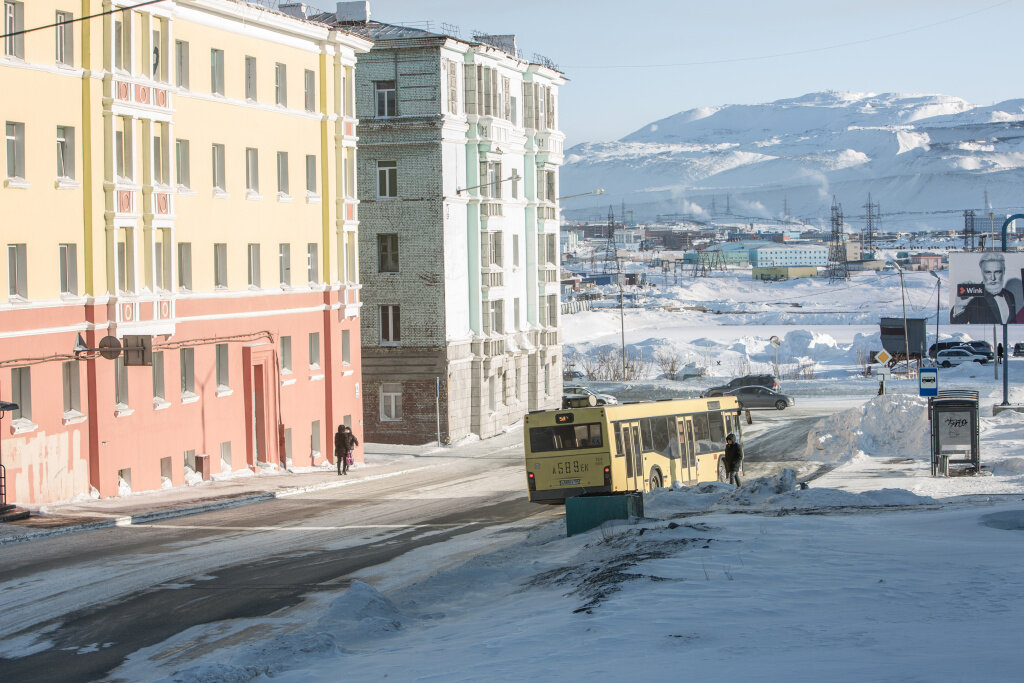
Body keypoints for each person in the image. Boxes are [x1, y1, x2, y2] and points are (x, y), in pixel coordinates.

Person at [951, 253, 1016, 324]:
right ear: (982, 272)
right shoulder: (972, 297)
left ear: (1004, 271)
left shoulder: (1009, 295)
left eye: (997, 272)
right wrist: (959, 307)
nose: (993, 278)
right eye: (988, 272)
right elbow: (957, 325)